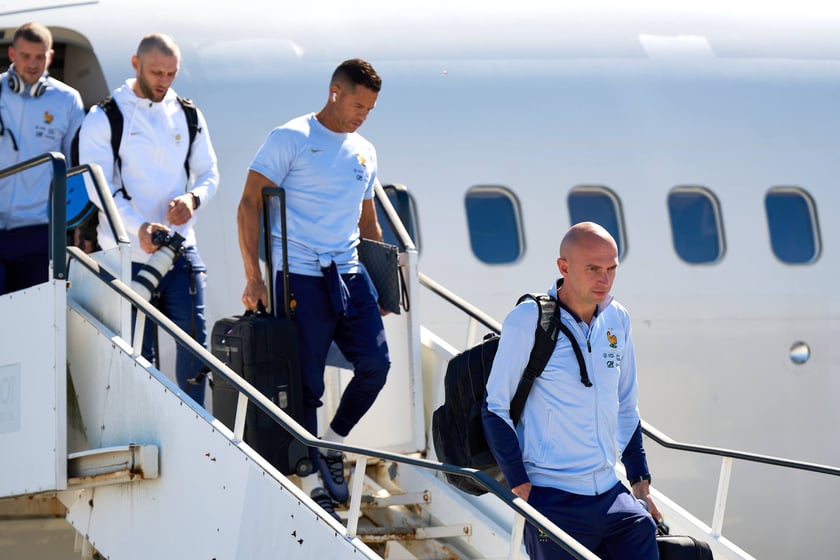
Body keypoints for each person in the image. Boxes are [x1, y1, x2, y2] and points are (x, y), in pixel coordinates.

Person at [237, 58, 390, 520]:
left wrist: (383, 283)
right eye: (358, 105)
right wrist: (253, 276)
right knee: (306, 384)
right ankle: (308, 477)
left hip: (349, 273)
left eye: (370, 109)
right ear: (335, 92)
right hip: (299, 273)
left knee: (376, 365)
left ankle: (332, 444)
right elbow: (248, 204)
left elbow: (368, 223)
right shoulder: (292, 138)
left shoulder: (365, 150)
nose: (363, 116)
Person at [482, 222, 662, 560]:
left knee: (643, 527)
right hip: (553, 497)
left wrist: (639, 482)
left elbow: (626, 406)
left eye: (611, 269)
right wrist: (520, 485)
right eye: (593, 269)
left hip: (610, 491)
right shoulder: (528, 319)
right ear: (563, 267)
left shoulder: (618, 318)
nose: (605, 280)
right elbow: (495, 407)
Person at [77, 33, 219, 406]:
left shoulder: (187, 114)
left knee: (196, 351)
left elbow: (209, 173)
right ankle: (146, 428)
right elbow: (97, 186)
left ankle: (196, 427)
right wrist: (137, 228)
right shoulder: (104, 117)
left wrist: (193, 199)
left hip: (180, 252)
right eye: (157, 72)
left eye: (171, 73)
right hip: (124, 257)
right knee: (138, 357)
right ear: (135, 64)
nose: (164, 81)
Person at [0, 22, 85, 295]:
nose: (33, 63)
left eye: (40, 56)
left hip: (40, 230)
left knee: (33, 314)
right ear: (12, 54)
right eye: (26, 56)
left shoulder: (67, 100)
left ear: (50, 56)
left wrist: (78, 226)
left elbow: (77, 167)